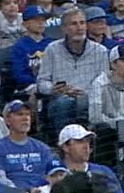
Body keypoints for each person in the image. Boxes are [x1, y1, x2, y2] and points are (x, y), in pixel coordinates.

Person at [37, 8, 110, 140]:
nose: (79, 28)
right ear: (64, 28)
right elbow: (42, 82)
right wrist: (53, 88)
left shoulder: (100, 51)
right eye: (74, 24)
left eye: (82, 23)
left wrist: (85, 93)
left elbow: (104, 83)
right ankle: (63, 143)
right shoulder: (52, 49)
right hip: (60, 98)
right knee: (64, 103)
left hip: (89, 98)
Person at [0, 101, 54, 193]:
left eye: (28, 114)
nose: (25, 118)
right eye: (20, 114)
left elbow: (53, 175)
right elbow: (0, 180)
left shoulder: (42, 148)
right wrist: (23, 192)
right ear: (7, 120)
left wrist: (42, 191)